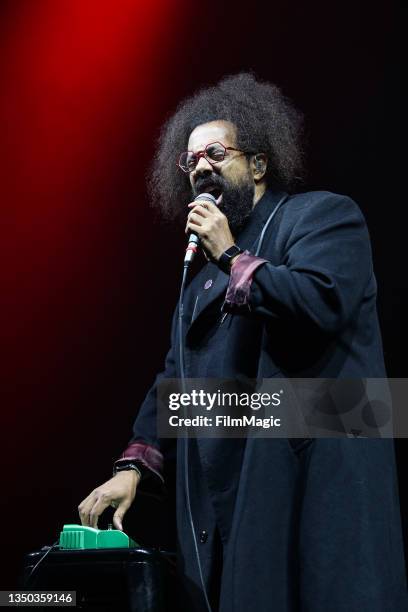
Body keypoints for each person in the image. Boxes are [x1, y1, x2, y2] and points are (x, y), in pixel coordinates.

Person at [78, 73, 408, 611]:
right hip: (234, 488)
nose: (201, 166)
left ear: (257, 163)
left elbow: (320, 302)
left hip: (318, 476)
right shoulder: (203, 272)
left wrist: (233, 257)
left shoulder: (322, 216)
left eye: (215, 151)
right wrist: (134, 466)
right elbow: (176, 375)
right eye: (190, 160)